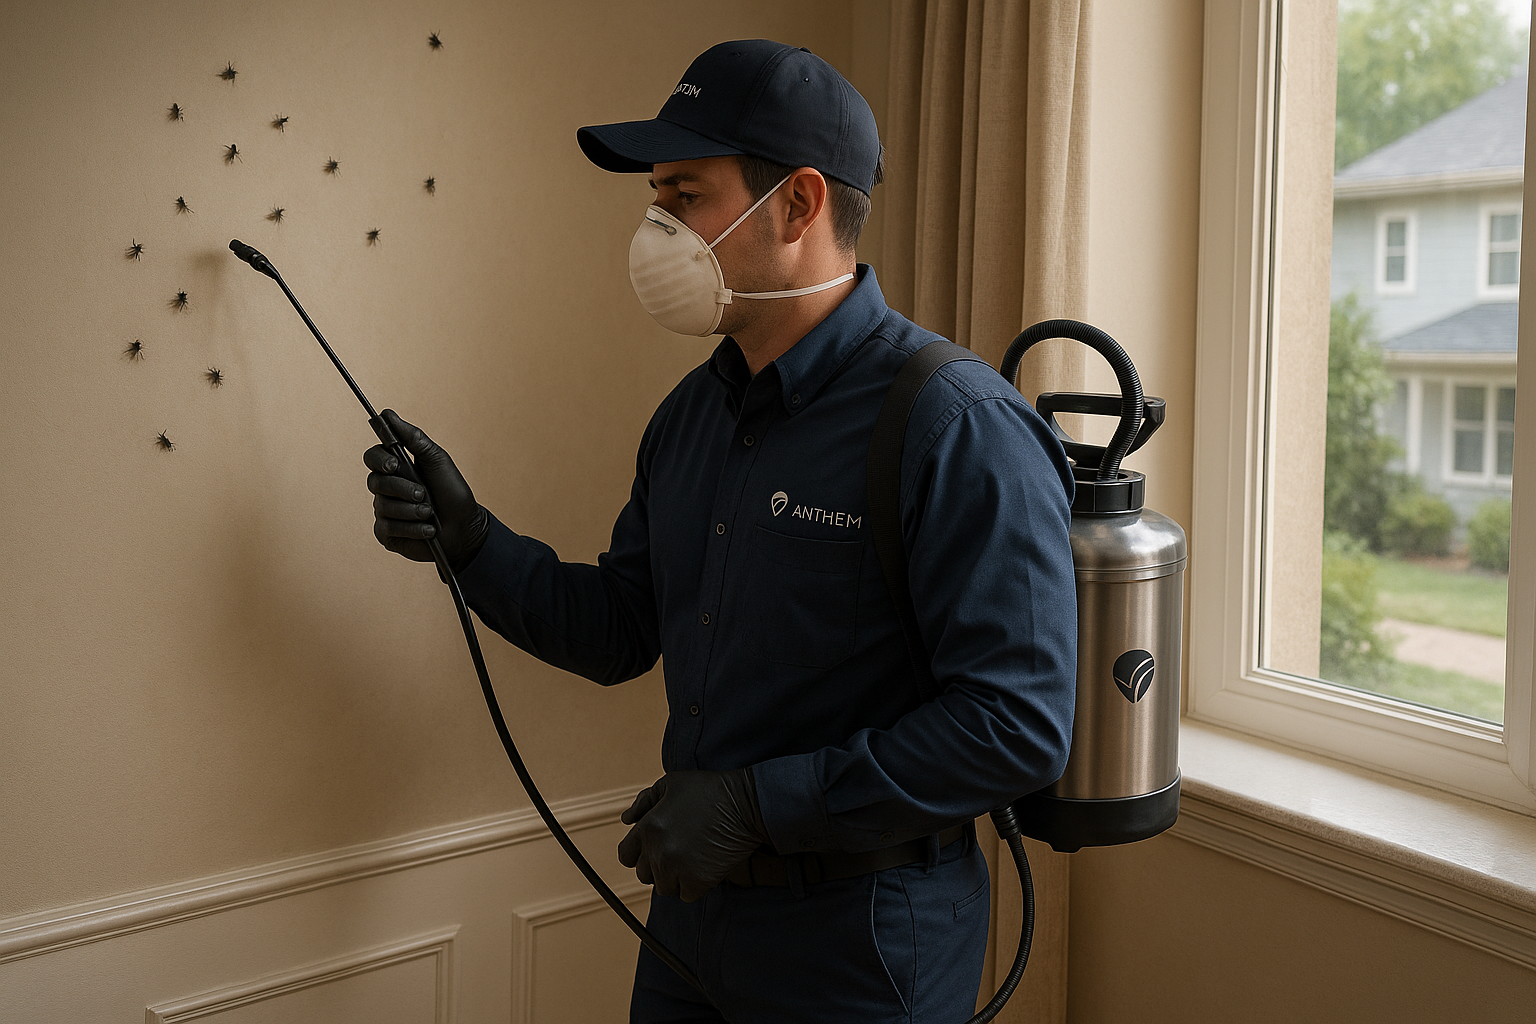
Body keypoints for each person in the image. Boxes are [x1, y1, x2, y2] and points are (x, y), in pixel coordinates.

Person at [365, 38, 1077, 1024]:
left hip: (864, 949)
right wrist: (473, 542)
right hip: (694, 927)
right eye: (654, 197)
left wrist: (757, 803)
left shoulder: (955, 424)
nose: (657, 228)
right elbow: (621, 627)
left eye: (687, 195)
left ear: (799, 204)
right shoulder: (691, 419)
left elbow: (1017, 727)